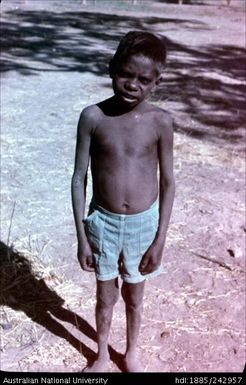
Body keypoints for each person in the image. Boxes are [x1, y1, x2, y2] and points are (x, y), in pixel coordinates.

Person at [71, 30, 175, 372]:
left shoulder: (161, 122)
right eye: (125, 74)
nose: (133, 85)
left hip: (143, 225)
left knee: (134, 295)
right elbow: (78, 178)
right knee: (105, 296)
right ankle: (101, 355)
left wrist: (160, 239)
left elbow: (168, 182)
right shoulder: (93, 117)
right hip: (103, 222)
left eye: (144, 79)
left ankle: (131, 353)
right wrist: (82, 236)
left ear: (157, 81)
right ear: (111, 69)